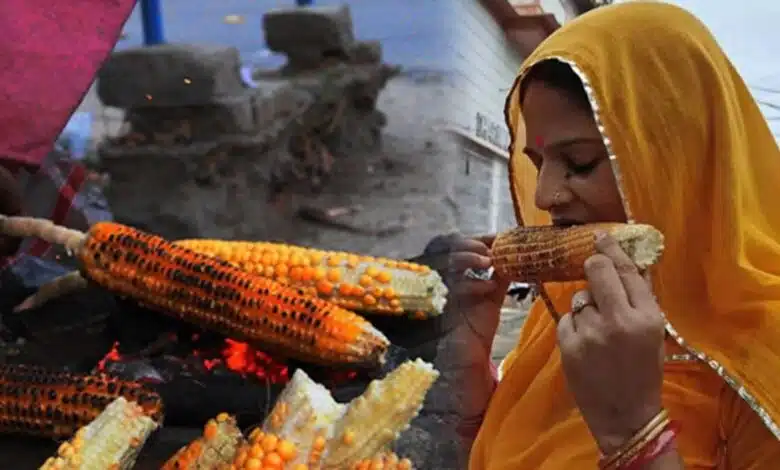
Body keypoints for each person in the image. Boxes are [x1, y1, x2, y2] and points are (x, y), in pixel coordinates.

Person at [448, 2, 780, 469]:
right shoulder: (569, 310)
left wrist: (634, 432)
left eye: (579, 162)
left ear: (677, 162)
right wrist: (470, 371)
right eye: (538, 164)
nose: (544, 197)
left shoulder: (765, 351)